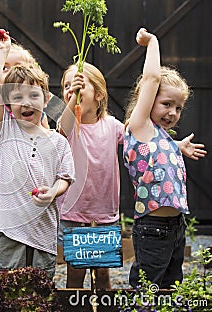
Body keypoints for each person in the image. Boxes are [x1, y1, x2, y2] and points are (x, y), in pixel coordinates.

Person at [0, 28, 75, 279]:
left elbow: (65, 178)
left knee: (40, 287)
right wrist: (2, 52)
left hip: (42, 228)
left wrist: (53, 192)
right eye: (18, 97)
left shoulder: (58, 142)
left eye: (34, 96)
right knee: (6, 286)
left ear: (46, 99)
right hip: (7, 227)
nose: (27, 103)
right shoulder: (7, 129)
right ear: (9, 104)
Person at [123, 28, 207, 288]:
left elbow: (158, 153)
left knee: (171, 285)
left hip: (175, 225)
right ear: (146, 101)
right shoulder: (139, 125)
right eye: (166, 104)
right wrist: (152, 43)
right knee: (147, 286)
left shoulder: (160, 136)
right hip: (152, 226)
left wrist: (177, 147)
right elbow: (150, 78)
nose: (173, 112)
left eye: (178, 107)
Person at [57, 63, 124, 289]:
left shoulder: (113, 126)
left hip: (104, 214)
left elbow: (139, 138)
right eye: (67, 86)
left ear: (98, 94)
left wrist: (174, 145)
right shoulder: (68, 128)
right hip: (74, 214)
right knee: (75, 275)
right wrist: (72, 98)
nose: (71, 89)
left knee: (103, 275)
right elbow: (63, 123)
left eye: (79, 85)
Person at [0, 38, 43, 284]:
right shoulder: (5, 125)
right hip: (3, 188)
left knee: (34, 265)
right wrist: (2, 51)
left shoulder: (46, 133)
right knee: (4, 262)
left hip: (34, 206)